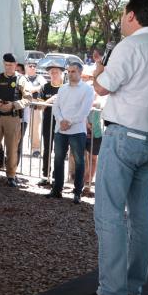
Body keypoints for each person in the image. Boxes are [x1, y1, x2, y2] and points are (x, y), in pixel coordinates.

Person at [73, 0, 148, 295]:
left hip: (124, 138)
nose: (122, 19)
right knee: (141, 215)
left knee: (108, 213)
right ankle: (133, 287)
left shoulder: (129, 46)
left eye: (123, 13)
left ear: (132, 15)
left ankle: (111, 292)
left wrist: (98, 70)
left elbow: (102, 87)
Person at [47, 63, 94, 204]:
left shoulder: (87, 89)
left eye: (73, 71)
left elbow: (85, 110)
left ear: (80, 72)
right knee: (58, 159)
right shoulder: (62, 88)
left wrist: (69, 122)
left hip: (77, 130)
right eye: (69, 71)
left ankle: (77, 192)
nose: (70, 74)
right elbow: (56, 106)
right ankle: (57, 189)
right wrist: (61, 120)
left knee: (79, 161)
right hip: (60, 129)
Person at [0, 53, 31, 187]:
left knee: (12, 148)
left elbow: (28, 98)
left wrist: (14, 105)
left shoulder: (22, 79)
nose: (8, 67)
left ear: (15, 65)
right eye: (6, 64)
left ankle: (11, 176)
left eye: (11, 65)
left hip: (13, 118)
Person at [35, 63, 64, 187]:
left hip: (62, 124)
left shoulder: (66, 87)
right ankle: (45, 176)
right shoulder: (45, 87)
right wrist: (50, 100)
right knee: (47, 149)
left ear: (61, 73)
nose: (54, 74)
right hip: (47, 122)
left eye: (56, 72)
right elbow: (39, 106)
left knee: (59, 151)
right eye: (52, 72)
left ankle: (57, 177)